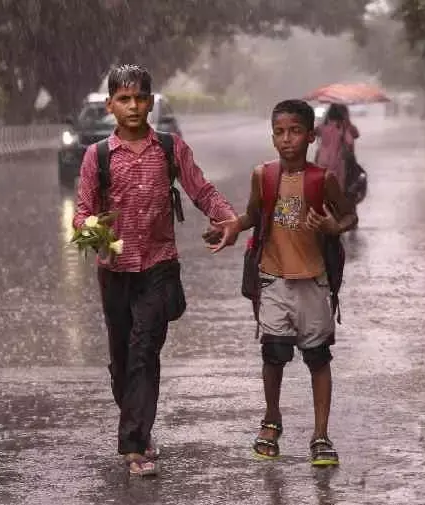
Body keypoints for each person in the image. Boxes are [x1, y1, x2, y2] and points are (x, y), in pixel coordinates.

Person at [72, 64, 240, 477]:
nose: (133, 106)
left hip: (160, 266)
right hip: (114, 270)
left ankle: (133, 448)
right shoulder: (97, 156)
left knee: (144, 352)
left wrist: (228, 217)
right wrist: (93, 231)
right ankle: (141, 430)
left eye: (140, 98)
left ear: (151, 102)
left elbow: (200, 188)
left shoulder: (170, 148)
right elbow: (81, 214)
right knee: (122, 359)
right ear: (110, 105)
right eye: (124, 99)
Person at [213, 99, 357, 466]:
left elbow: (349, 216)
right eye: (279, 132)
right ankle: (271, 419)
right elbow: (252, 215)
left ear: (311, 135)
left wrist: (331, 227)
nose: (287, 139)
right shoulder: (264, 175)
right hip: (273, 279)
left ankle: (320, 433)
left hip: (313, 282)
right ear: (272, 136)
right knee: (274, 353)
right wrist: (233, 227)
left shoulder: (322, 180)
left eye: (295, 131)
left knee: (317, 358)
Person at [314, 104, 359, 188]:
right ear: (344, 114)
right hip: (338, 162)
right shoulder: (345, 127)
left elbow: (313, 133)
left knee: (322, 187)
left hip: (322, 161)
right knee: (337, 188)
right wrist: (348, 123)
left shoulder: (323, 127)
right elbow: (355, 136)